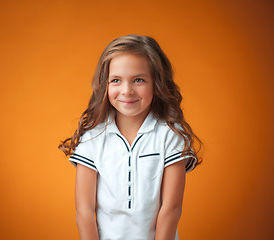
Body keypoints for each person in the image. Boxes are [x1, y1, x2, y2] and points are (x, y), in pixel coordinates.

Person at [59, 34, 203, 240]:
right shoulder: (92, 139)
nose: (127, 91)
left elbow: (171, 209)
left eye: (138, 80)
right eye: (116, 80)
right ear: (105, 84)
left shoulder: (170, 136)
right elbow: (84, 212)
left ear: (157, 83)